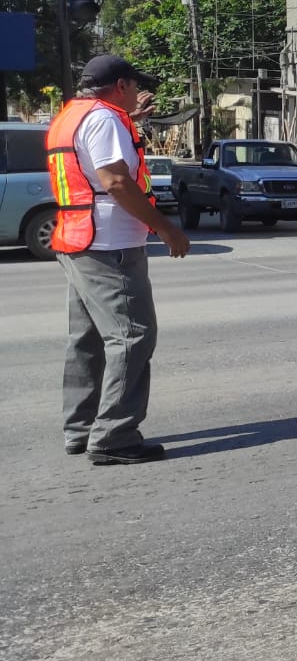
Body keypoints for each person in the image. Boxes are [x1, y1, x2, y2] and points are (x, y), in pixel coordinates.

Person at [47, 54, 190, 464]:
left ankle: (82, 428)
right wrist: (165, 228)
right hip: (108, 245)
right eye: (135, 86)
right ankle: (114, 437)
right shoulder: (104, 119)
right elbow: (115, 181)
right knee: (133, 336)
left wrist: (134, 122)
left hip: (77, 238)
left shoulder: (73, 114)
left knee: (88, 340)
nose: (139, 94)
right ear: (121, 86)